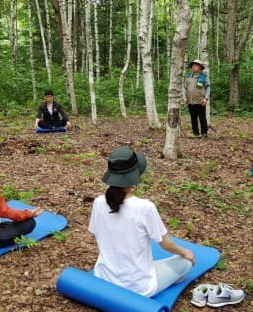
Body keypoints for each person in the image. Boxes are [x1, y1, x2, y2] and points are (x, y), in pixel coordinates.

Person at [89, 146, 195, 297]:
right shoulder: (145, 207)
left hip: (104, 278)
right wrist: (185, 252)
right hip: (138, 287)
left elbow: (97, 233)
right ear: (134, 176)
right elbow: (165, 244)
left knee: (168, 265)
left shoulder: (98, 202)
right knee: (185, 262)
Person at [182, 60, 210, 138]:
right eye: (193, 65)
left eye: (196, 65)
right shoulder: (188, 76)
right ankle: (195, 133)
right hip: (190, 102)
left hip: (200, 101)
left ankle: (204, 133)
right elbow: (184, 87)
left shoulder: (204, 77)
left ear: (200, 67)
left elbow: (208, 88)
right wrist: (184, 98)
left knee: (202, 118)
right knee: (193, 119)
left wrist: (206, 98)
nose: (194, 67)